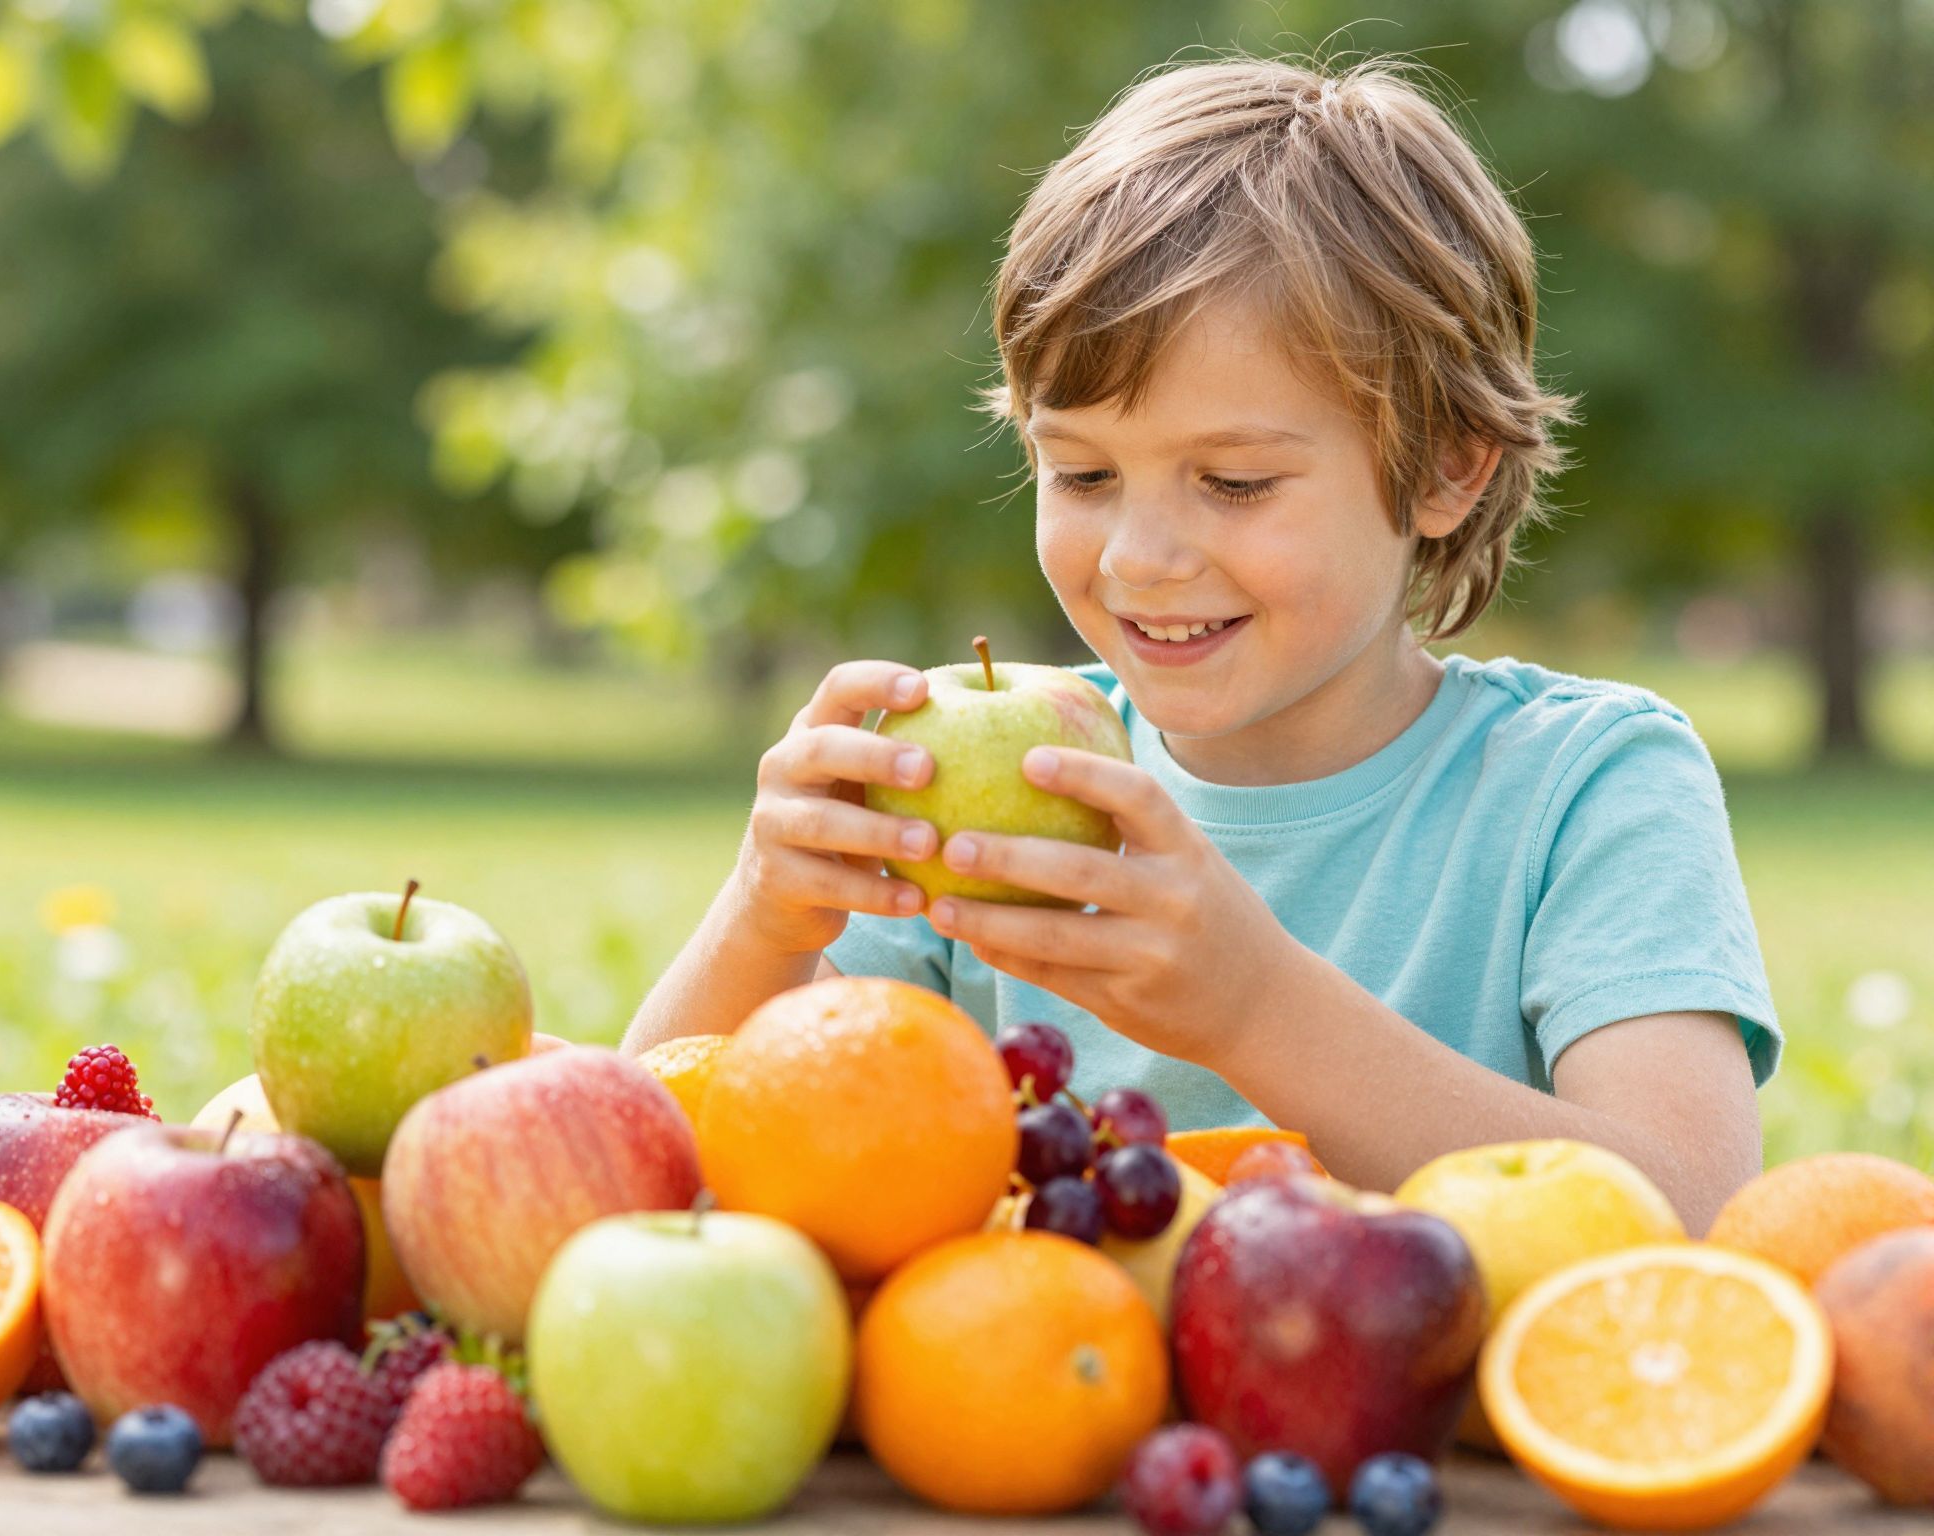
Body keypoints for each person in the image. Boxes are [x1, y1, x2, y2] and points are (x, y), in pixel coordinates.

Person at [622, 54, 1776, 1234]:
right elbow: (641, 1184)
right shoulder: (980, 799)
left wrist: (1253, 1006)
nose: (1138, 555)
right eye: (1080, 472)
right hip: (1037, 1400)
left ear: (1443, 467)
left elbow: (1689, 1216)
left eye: (1231, 482)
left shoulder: (1584, 788)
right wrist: (763, 921)